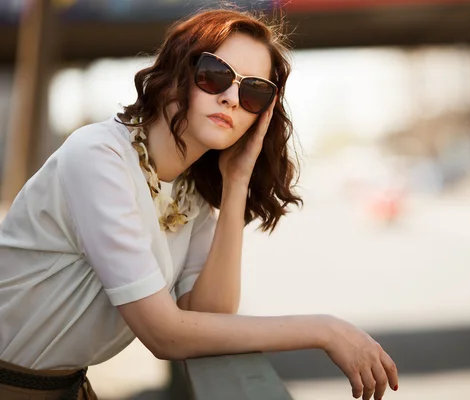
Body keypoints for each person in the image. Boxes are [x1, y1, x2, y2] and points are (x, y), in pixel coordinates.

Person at [0, 8, 398, 400]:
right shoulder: (99, 158)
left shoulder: (188, 194)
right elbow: (165, 334)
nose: (230, 99)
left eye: (253, 91)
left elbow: (209, 314)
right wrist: (323, 330)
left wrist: (236, 182)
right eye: (215, 75)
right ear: (177, 74)